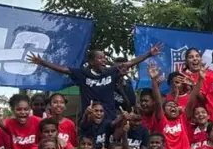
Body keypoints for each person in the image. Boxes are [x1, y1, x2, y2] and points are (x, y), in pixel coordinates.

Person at [27, 45, 161, 123]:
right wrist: (42, 62)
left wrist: (149, 53)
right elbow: (63, 69)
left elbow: (130, 63)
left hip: (109, 119)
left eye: (104, 57)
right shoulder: (82, 73)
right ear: (91, 61)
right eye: (100, 58)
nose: (104, 60)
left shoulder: (110, 72)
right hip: (90, 120)